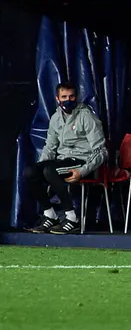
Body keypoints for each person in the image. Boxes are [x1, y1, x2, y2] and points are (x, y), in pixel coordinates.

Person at [24, 82, 108, 235]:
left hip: (82, 162)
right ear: (57, 99)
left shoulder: (86, 116)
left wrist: (82, 171)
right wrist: (39, 169)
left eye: (71, 96)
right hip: (62, 161)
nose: (68, 100)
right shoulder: (56, 118)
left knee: (50, 171)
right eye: (64, 97)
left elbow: (101, 151)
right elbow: (50, 147)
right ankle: (50, 215)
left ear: (76, 97)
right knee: (30, 172)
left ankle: (72, 218)